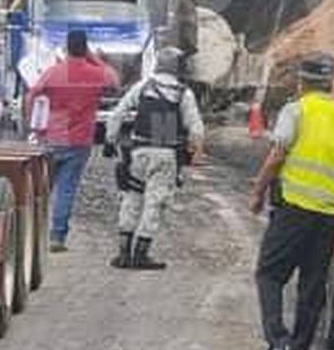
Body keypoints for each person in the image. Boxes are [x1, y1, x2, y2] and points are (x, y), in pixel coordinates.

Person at [248, 53, 334, 350]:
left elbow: (277, 155)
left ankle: (278, 343)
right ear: (330, 82)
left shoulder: (297, 110)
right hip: (328, 217)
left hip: (293, 210)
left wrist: (258, 191)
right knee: (312, 288)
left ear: (301, 82)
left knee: (269, 275)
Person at [105, 47, 205, 271]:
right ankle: (141, 254)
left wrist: (111, 141)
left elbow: (117, 114)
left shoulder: (143, 87)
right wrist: (195, 151)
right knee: (155, 201)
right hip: (165, 154)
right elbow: (196, 128)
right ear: (178, 67)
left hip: (138, 151)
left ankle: (123, 253)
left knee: (132, 197)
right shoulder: (182, 93)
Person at [27, 29, 119, 252]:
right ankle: (57, 237)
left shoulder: (54, 72)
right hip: (79, 140)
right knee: (66, 190)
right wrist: (93, 57)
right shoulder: (95, 74)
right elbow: (115, 81)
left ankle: (32, 234)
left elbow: (32, 95)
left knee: (41, 189)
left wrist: (34, 125)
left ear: (67, 47)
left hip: (52, 138)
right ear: (85, 48)